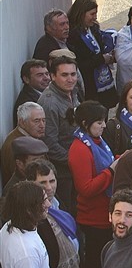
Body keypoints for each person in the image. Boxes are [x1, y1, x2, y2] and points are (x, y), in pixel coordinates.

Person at [68, 101, 115, 268]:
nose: (104, 126)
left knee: (104, 266)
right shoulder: (79, 149)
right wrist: (111, 171)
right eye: (99, 122)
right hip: (92, 219)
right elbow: (85, 188)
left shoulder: (96, 141)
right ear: (86, 124)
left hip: (104, 215)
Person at [38, 55, 81, 212]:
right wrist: (74, 161)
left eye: (73, 74)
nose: (70, 79)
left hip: (74, 165)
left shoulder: (73, 92)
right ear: (53, 76)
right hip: (63, 172)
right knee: (68, 210)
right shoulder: (50, 103)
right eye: (64, 75)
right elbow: (49, 143)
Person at [66, 0, 118, 108]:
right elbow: (79, 64)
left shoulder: (93, 29)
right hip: (89, 85)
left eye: (96, 13)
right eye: (92, 14)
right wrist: (101, 59)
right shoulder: (73, 36)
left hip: (103, 81)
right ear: (81, 14)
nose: (95, 17)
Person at [2, 101, 46, 184]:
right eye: (36, 121)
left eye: (43, 120)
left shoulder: (32, 137)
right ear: (22, 122)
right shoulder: (15, 146)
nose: (42, 125)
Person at [12, 59, 50, 125]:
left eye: (47, 74)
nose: (46, 78)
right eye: (40, 75)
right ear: (26, 79)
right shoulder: (27, 104)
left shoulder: (44, 92)